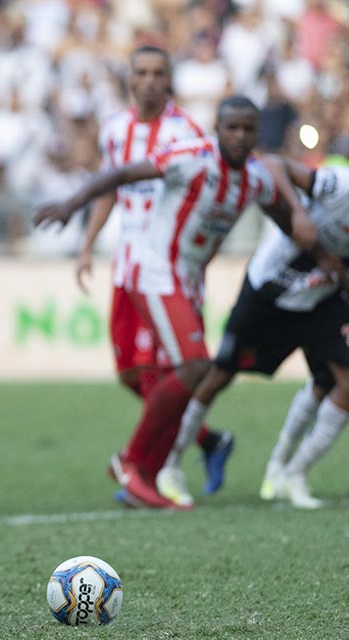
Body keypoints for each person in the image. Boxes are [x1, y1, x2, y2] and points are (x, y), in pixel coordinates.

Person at [35, 96, 310, 509]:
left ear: (257, 134)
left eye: (247, 129)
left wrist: (326, 254)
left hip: (189, 281)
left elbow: (290, 224)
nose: (239, 136)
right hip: (153, 269)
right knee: (193, 366)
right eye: (231, 127)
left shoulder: (256, 178)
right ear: (216, 129)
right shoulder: (191, 157)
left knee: (185, 372)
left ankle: (146, 475)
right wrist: (71, 205)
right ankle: (132, 463)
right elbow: (123, 172)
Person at [73, 45, 234, 507]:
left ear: (169, 81)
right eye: (140, 72)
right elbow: (110, 187)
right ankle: (205, 442)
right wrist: (87, 245)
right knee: (131, 373)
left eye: (158, 73)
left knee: (166, 370)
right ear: (129, 78)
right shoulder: (115, 129)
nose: (148, 80)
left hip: (167, 271)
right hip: (127, 267)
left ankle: (152, 469)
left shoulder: (185, 132)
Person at [160, 156, 349, 509]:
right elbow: (274, 164)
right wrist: (299, 213)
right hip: (268, 293)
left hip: (321, 300)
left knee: (340, 382)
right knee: (219, 375)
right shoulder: (341, 187)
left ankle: (288, 471)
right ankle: (170, 464)